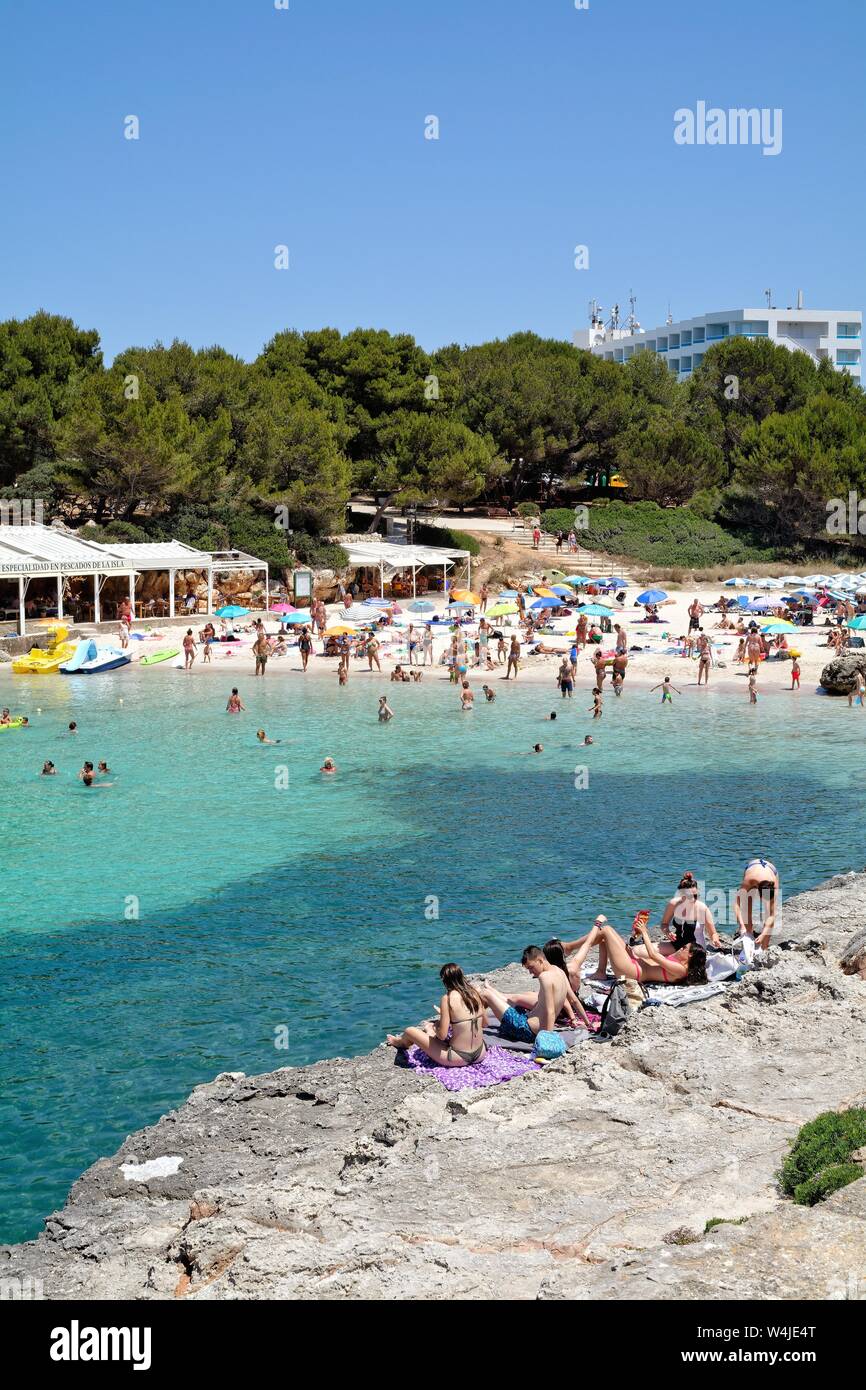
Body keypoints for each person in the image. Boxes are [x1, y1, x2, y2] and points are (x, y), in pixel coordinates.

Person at [386, 963, 487, 1068]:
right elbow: (485, 1024)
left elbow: (442, 1035)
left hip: (457, 1057)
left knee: (410, 1031)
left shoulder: (447, 999)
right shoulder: (475, 993)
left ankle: (399, 1043)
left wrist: (436, 1026)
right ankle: (428, 1031)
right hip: (480, 1054)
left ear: (444, 980)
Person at [564, 916, 707, 987]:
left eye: (684, 948)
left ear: (690, 955)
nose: (680, 948)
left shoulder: (681, 970)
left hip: (632, 972)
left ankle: (570, 948)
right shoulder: (678, 961)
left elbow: (653, 955)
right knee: (604, 934)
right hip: (634, 963)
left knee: (606, 930)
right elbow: (649, 958)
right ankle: (599, 970)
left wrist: (645, 933)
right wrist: (637, 935)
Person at [478, 945, 570, 1043]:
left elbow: (550, 1011)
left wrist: (548, 1040)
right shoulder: (559, 971)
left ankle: (483, 1024)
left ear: (540, 960)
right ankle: (492, 991)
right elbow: (572, 999)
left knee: (484, 994)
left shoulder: (544, 977)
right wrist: (584, 1022)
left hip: (526, 1030)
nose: (530, 972)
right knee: (513, 1003)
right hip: (529, 1023)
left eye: (531, 967)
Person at [659, 872, 722, 950]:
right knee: (641, 951)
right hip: (677, 944)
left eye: (695, 896)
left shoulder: (702, 908)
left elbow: (713, 933)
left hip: (695, 949)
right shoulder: (673, 904)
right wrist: (668, 932)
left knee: (661, 959)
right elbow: (664, 924)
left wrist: (715, 940)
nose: (692, 899)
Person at [735, 858, 779, 951]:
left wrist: (763, 934)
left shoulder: (773, 885)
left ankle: (764, 947)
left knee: (769, 912)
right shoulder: (749, 881)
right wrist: (741, 925)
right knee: (746, 910)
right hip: (752, 868)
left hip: (771, 870)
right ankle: (747, 942)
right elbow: (737, 904)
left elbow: (772, 915)